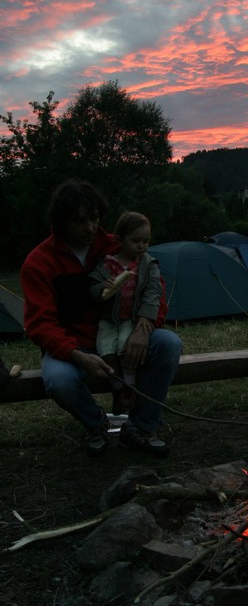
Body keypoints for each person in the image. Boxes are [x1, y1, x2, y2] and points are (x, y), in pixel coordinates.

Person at [21, 180, 183, 459]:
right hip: (75, 346)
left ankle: (140, 428)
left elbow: (154, 286)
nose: (90, 228)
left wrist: (145, 327)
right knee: (58, 379)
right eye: (80, 221)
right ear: (61, 222)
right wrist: (76, 354)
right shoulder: (39, 263)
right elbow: (40, 324)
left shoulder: (115, 246)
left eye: (94, 218)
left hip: (124, 334)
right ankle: (98, 425)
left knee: (168, 343)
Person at [89, 211, 162, 416]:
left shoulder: (147, 264)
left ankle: (129, 386)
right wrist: (103, 289)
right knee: (106, 349)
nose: (141, 246)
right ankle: (117, 386)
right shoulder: (106, 264)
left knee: (125, 348)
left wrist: (146, 316)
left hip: (130, 319)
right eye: (136, 241)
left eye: (146, 241)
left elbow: (154, 290)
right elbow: (93, 290)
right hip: (108, 320)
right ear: (120, 240)